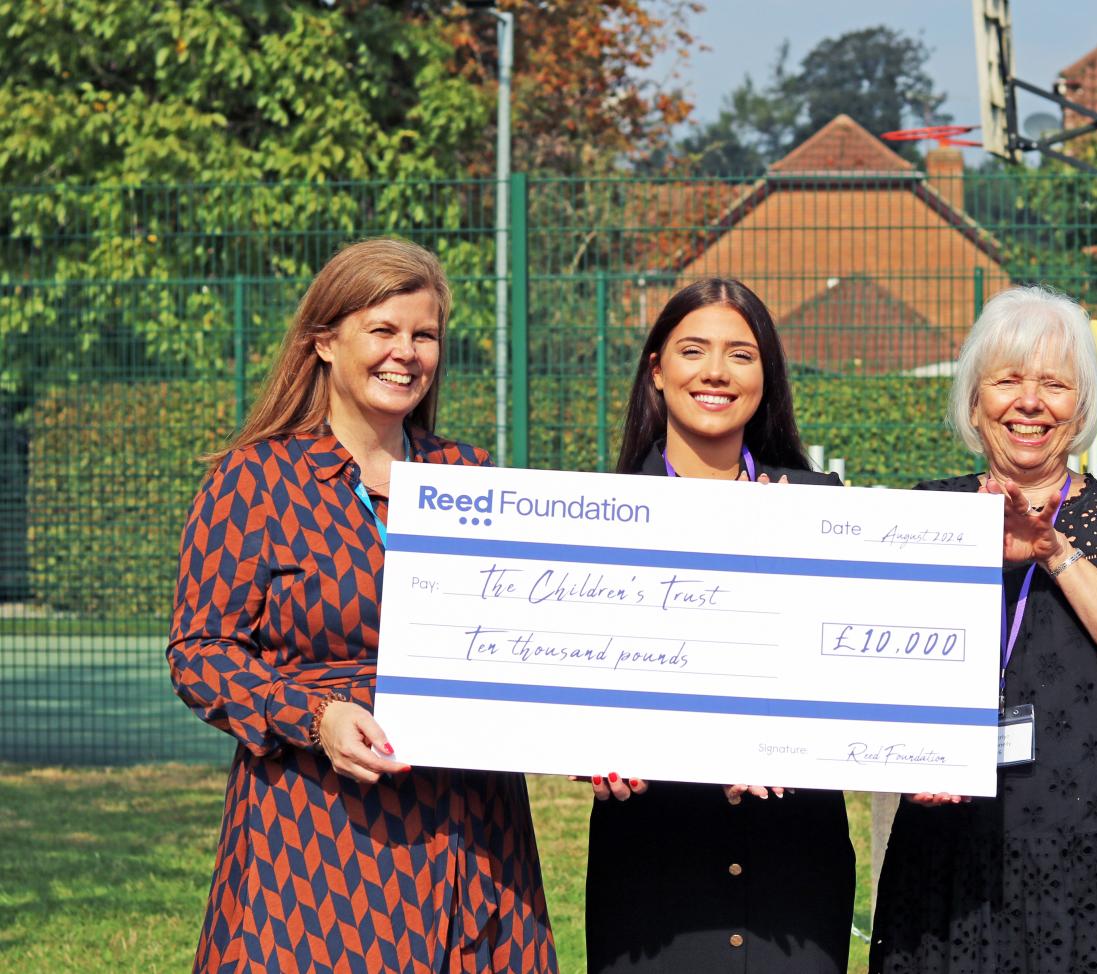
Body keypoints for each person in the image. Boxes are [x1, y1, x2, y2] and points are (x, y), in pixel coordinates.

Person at [168, 238, 557, 973]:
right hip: (317, 832)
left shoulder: (470, 475)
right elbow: (199, 652)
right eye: (382, 331)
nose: (404, 353)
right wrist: (314, 718)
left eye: (424, 335)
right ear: (324, 341)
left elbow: (538, 631)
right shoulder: (254, 478)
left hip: (473, 826)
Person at [868, 285, 1097, 973]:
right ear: (974, 400)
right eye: (1008, 381)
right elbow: (870, 669)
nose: (1030, 402)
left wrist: (1056, 552)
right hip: (954, 853)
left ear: (1079, 408)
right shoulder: (925, 516)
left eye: (1055, 384)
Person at [582, 278, 856, 973]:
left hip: (795, 863)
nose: (715, 372)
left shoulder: (825, 507)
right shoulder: (597, 514)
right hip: (654, 863)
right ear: (657, 370)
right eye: (693, 350)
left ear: (767, 374)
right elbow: (575, 683)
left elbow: (858, 671)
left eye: (740, 354)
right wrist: (590, 742)